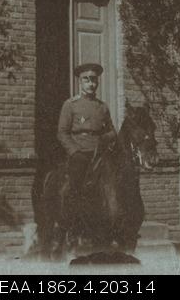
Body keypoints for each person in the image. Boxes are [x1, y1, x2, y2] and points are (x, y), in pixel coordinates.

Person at [56, 63, 117, 233]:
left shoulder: (102, 107)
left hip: (99, 154)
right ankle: (70, 221)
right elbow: (62, 133)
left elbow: (112, 131)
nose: (91, 84)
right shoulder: (71, 105)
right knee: (75, 186)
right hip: (79, 153)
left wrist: (105, 138)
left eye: (94, 80)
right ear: (80, 82)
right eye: (86, 80)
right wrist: (74, 151)